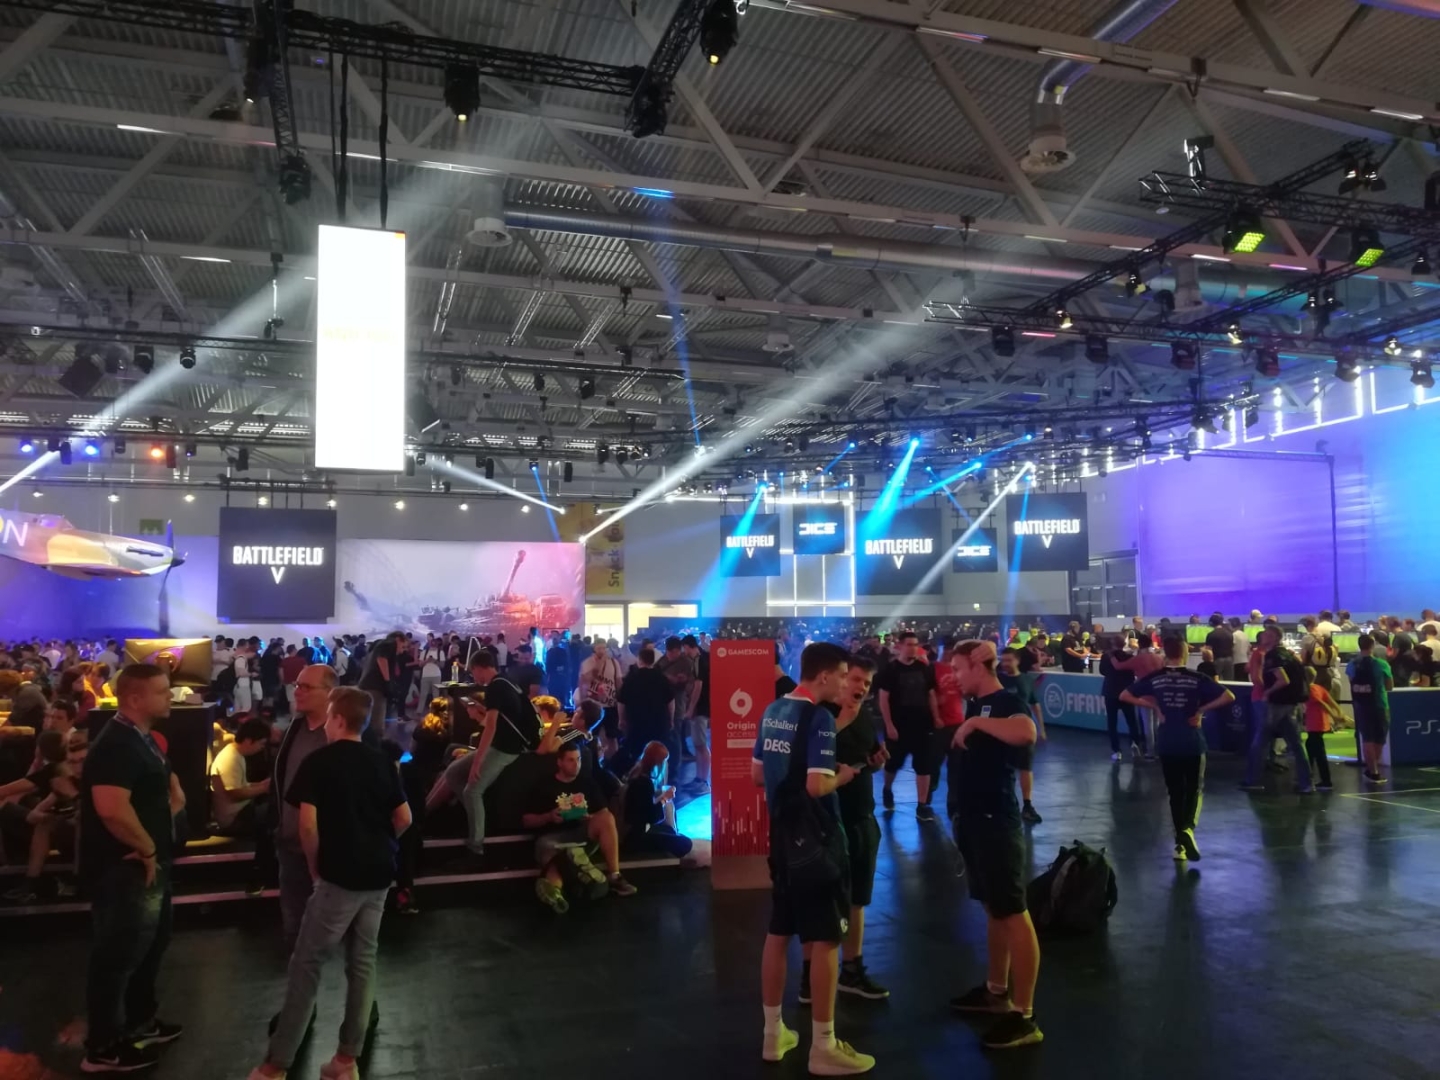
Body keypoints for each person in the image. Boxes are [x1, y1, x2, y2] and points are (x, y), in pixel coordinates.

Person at [246, 687, 412, 1080]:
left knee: (306, 964)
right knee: (363, 963)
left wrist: (316, 866)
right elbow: (404, 818)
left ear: (337, 719)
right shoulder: (382, 761)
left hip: (339, 876)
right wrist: (378, 845)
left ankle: (275, 1065)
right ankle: (346, 1061)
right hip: (379, 875)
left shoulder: (319, 762)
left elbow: (307, 826)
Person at [753, 642, 873, 1075]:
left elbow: (756, 774)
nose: (845, 683)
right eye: (842, 674)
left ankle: (773, 1034)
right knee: (825, 939)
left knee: (778, 931)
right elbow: (816, 786)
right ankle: (823, 1046)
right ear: (823, 676)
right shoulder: (818, 718)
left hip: (782, 838)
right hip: (818, 840)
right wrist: (842, 775)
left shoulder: (772, 711)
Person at [80, 663, 186, 1074]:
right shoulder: (117, 744)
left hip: (148, 864)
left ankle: (141, 1021)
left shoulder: (138, 738)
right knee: (117, 956)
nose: (170, 697)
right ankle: (103, 1046)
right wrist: (145, 847)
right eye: (162, 691)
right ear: (135, 699)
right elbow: (111, 808)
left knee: (150, 945)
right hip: (124, 869)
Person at [945, 640, 1042, 1050]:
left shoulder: (1005, 701)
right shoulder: (977, 703)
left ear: (978, 666)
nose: (954, 676)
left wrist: (975, 725)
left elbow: (1026, 732)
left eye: (958, 669)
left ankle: (1025, 1015)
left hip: (997, 823)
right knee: (993, 909)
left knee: (1013, 913)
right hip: (974, 821)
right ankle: (996, 990)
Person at [799, 656, 889, 1003]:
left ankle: (851, 969)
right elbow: (805, 760)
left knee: (857, 899)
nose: (861, 688)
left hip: (861, 816)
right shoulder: (820, 715)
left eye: (867, 684)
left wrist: (876, 762)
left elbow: (867, 759)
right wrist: (842, 722)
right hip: (827, 822)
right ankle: (810, 976)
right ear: (840, 678)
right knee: (821, 900)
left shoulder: (863, 715)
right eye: (855, 680)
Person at [1122, 637, 1233, 862]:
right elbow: (1228, 696)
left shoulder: (1156, 678)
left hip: (1167, 742)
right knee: (1194, 789)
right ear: (1184, 653)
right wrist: (1201, 711)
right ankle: (1188, 830)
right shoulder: (1197, 678)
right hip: (1192, 741)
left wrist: (1154, 706)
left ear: (1165, 652)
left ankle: (1179, 847)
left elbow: (1124, 695)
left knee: (1175, 793)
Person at [521, 742, 636, 913]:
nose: (576, 764)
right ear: (559, 762)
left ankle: (614, 875)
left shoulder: (587, 783)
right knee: (556, 859)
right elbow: (526, 821)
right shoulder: (544, 785)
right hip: (552, 839)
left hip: (580, 833)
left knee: (606, 818)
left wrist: (589, 818)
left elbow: (603, 814)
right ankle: (556, 892)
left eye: (579, 759)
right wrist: (548, 817)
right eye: (571, 760)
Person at [272, 664, 339, 950]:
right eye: (296, 685)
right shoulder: (295, 727)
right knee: (294, 928)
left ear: (330, 692)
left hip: (328, 849)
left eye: (306, 687)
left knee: (327, 932)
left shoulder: (341, 735)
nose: (297, 692)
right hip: (289, 843)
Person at [456, 652, 539, 855]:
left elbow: (491, 726)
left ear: (479, 667)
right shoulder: (506, 680)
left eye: (473, 672)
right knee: (453, 774)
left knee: (471, 791)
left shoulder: (494, 687)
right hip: (508, 743)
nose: (474, 677)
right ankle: (477, 818)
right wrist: (480, 708)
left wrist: (477, 762)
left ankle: (476, 845)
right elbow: (505, 715)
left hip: (506, 748)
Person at [0, 729, 79, 904]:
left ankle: (25, 880)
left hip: (72, 827)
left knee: (10, 811)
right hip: (59, 823)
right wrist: (36, 813)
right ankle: (25, 880)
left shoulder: (56, 771)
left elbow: (8, 790)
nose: (76, 764)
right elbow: (47, 802)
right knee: (21, 814)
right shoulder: (58, 774)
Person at [877, 631, 941, 821]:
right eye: (909, 644)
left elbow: (931, 695)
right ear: (900, 646)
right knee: (893, 763)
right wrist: (889, 725)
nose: (913, 648)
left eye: (915, 645)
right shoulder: (890, 670)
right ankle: (887, 789)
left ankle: (922, 805)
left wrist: (936, 717)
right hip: (899, 725)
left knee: (924, 766)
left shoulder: (924, 668)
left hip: (922, 725)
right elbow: (883, 699)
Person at [1240, 628, 1312, 793]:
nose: (1263, 636)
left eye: (1267, 635)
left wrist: (1267, 692)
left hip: (1275, 704)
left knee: (1260, 742)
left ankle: (1252, 780)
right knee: (1296, 745)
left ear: (1274, 638)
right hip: (1290, 704)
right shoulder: (1289, 655)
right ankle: (1306, 783)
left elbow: (1282, 680)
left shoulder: (1273, 656)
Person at [619, 742, 693, 861]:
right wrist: (665, 798)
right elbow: (651, 817)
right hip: (637, 836)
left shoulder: (636, 775)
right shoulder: (644, 783)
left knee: (670, 831)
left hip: (635, 831)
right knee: (685, 843)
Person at [998, 648, 1043, 825]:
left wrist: (1041, 728)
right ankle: (1005, 804)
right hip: (1002, 732)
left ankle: (1027, 805)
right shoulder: (997, 680)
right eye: (1003, 660)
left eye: (1008, 660)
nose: (1005, 664)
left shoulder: (1026, 680)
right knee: (1002, 769)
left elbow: (1035, 704)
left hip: (1024, 731)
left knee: (1026, 768)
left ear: (1017, 661)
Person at [616, 647, 675, 779]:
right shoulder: (662, 678)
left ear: (639, 660)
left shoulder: (631, 678)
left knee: (636, 752)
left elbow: (621, 701)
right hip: (659, 723)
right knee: (658, 753)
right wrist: (670, 719)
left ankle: (637, 780)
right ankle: (659, 781)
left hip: (636, 723)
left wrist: (621, 719)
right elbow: (671, 701)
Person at [1347, 634, 1394, 785]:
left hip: (1361, 705)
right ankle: (1373, 769)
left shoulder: (1352, 665)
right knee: (1380, 738)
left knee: (1367, 738)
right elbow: (1389, 686)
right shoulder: (1382, 664)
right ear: (1373, 645)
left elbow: (1351, 683)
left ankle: (1372, 770)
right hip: (1379, 704)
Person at [578, 637, 624, 763]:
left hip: (610, 704)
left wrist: (620, 701)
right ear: (594, 648)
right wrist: (582, 703)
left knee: (612, 736)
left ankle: (613, 762)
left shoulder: (613, 662)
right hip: (593, 705)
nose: (602, 651)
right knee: (591, 735)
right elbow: (584, 680)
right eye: (599, 648)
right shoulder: (587, 663)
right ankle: (591, 761)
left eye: (604, 648)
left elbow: (618, 682)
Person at [1099, 635, 1145, 761]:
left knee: (1112, 722)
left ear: (1112, 643)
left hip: (1110, 692)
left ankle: (1116, 750)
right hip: (1127, 692)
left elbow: (1102, 671)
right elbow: (1133, 672)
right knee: (1131, 720)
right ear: (1124, 643)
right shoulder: (1129, 657)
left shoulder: (1106, 656)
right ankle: (1135, 744)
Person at [355, 630, 402, 749]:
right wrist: (387, 682)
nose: (403, 650)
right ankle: (374, 751)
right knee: (377, 724)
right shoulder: (390, 643)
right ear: (398, 639)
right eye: (403, 646)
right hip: (375, 688)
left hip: (366, 686)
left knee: (367, 721)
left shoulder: (376, 646)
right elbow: (382, 659)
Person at [1302, 669, 1343, 792]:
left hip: (1315, 724)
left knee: (1318, 752)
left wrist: (1334, 716)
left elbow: (1322, 703)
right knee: (1311, 747)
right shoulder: (1319, 688)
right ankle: (1311, 776)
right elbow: (1331, 701)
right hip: (1319, 724)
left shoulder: (1310, 690)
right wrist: (1339, 712)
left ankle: (1325, 780)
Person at [685, 635, 712, 790]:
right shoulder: (703, 658)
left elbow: (698, 686)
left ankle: (703, 781)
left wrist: (691, 708)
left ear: (688, 646)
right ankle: (699, 778)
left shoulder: (698, 660)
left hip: (700, 708)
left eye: (685, 648)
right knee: (698, 744)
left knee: (701, 745)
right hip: (702, 707)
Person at [1204, 614, 1234, 681]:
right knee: (1229, 681)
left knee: (1215, 681)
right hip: (1229, 660)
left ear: (1212, 623)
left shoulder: (1211, 635)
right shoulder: (1229, 633)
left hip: (1217, 660)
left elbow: (1208, 650)